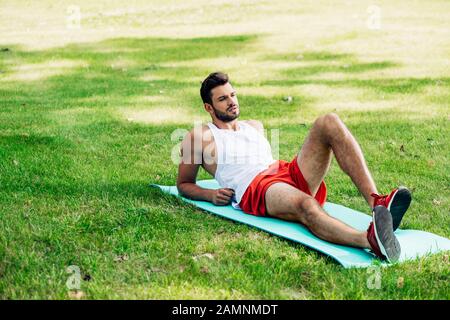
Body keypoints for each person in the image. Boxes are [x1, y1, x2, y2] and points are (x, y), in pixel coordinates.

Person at [176, 72, 412, 262]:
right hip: (256, 187)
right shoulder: (200, 136)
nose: (232, 102)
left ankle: (377, 202)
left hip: (283, 172)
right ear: (209, 107)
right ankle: (369, 241)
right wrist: (209, 194)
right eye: (223, 99)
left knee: (328, 121)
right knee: (305, 205)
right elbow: (183, 184)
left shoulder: (253, 125)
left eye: (233, 95)